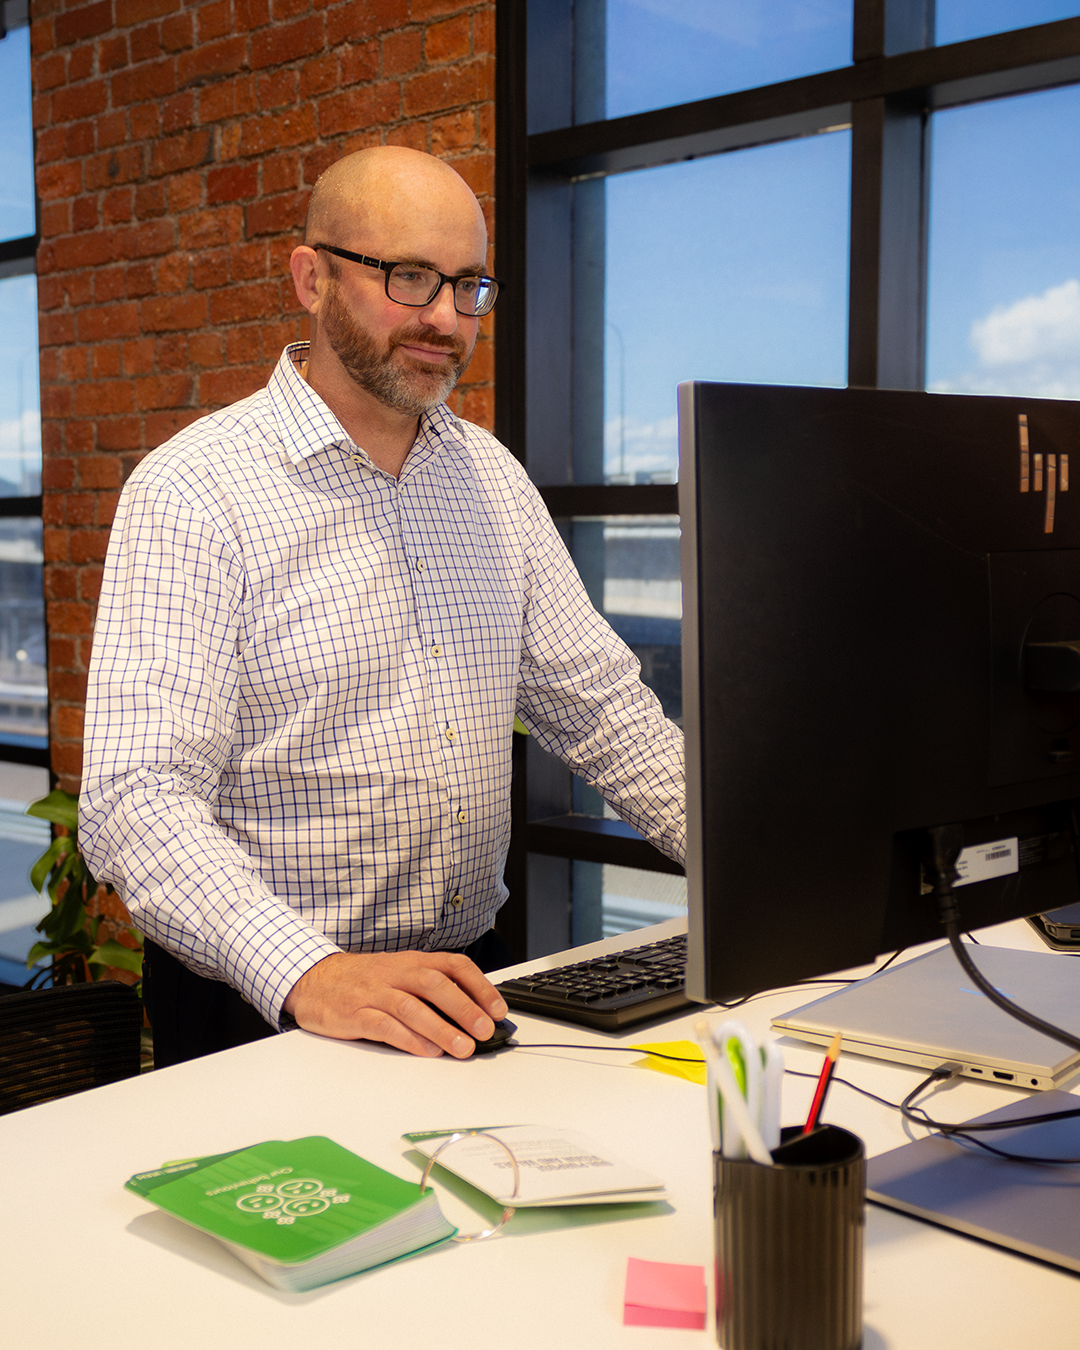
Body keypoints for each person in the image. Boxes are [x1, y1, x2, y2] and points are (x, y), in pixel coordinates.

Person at [79, 146, 685, 1067]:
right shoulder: (195, 490)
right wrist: (311, 973)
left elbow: (604, 713)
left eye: (469, 285)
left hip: (467, 983)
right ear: (311, 278)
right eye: (409, 278)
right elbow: (136, 801)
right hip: (270, 1007)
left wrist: (764, 861)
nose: (445, 318)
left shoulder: (491, 479)